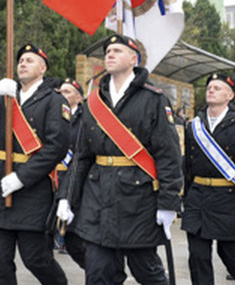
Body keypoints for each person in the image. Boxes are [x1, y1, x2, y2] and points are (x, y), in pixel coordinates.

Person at [59, 35, 182, 284]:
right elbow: (82, 157)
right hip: (98, 197)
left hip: (137, 200)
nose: (110, 55)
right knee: (98, 272)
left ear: (133, 59)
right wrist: (66, 197)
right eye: (108, 51)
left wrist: (168, 202)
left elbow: (168, 156)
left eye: (117, 50)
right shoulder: (94, 102)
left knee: (147, 271)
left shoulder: (154, 100)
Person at [0, 44, 69, 285]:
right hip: (0, 186)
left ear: (42, 68)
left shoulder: (54, 100)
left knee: (35, 258)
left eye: (29, 60)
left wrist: (21, 177)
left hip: (33, 189)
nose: (22, 63)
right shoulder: (6, 97)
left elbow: (57, 147)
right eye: (20, 60)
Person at [178, 73, 235, 285]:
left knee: (232, 258)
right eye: (209, 87)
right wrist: (184, 199)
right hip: (198, 200)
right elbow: (188, 167)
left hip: (229, 200)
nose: (211, 90)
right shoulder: (194, 126)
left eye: (217, 87)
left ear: (230, 95)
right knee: (198, 258)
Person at [54, 78, 86, 268]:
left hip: (74, 180)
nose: (62, 95)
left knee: (75, 241)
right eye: (60, 91)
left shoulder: (84, 118)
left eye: (67, 91)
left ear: (79, 97)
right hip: (53, 178)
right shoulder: (54, 115)